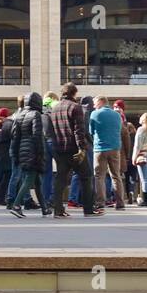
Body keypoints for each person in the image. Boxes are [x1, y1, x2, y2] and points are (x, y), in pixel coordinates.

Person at [47, 83, 98, 217]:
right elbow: (79, 130)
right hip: (74, 149)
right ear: (74, 93)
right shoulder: (76, 107)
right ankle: (88, 209)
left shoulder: (54, 108)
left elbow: (51, 131)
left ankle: (58, 210)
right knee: (86, 177)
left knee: (60, 179)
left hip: (59, 149)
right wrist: (82, 148)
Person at [7, 92, 49, 217]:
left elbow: (14, 137)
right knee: (29, 179)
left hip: (22, 151)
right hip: (33, 151)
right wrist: (41, 154)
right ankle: (16, 205)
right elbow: (37, 136)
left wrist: (15, 155)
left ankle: (44, 208)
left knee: (37, 182)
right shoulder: (36, 114)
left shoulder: (19, 115)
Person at [88, 96, 125, 211]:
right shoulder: (117, 115)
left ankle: (100, 202)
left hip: (100, 148)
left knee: (99, 176)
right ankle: (120, 202)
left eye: (95, 103)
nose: (94, 106)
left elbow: (90, 131)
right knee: (116, 175)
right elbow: (119, 130)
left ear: (100, 102)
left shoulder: (94, 114)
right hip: (115, 148)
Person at [115, 100, 137, 204]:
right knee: (130, 177)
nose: (117, 109)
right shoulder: (131, 127)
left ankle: (117, 196)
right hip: (131, 155)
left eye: (118, 107)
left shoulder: (118, 125)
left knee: (116, 176)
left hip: (122, 154)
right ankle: (131, 192)